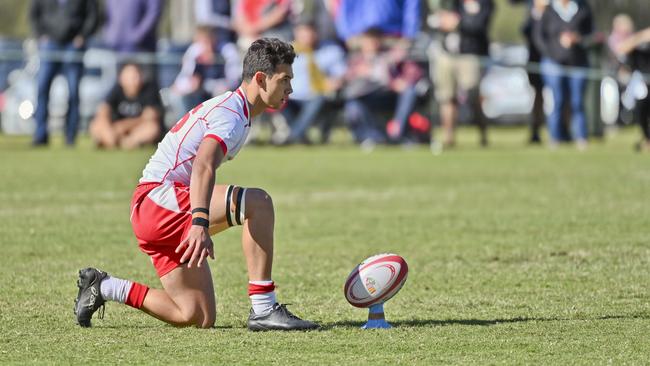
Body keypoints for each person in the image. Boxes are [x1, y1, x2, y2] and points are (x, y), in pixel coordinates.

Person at [74, 38, 319, 331]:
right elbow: (204, 164)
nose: (290, 88)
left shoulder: (238, 110)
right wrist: (199, 223)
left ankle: (105, 287)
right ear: (260, 78)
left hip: (156, 210)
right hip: (157, 202)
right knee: (258, 204)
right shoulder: (231, 114)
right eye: (285, 80)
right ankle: (264, 308)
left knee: (196, 315)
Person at [29, 0, 99, 146]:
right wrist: (40, 36)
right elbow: (33, 14)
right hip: (49, 44)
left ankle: (70, 137)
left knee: (73, 93)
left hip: (73, 45)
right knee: (42, 89)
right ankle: (40, 135)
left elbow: (93, 15)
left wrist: (82, 36)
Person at [429, 0, 494, 148]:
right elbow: (436, 20)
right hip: (446, 54)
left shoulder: (484, 3)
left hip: (469, 54)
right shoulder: (452, 3)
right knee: (447, 97)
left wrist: (458, 23)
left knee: (472, 96)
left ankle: (483, 134)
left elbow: (478, 25)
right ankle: (449, 138)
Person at [533, 0, 594, 150]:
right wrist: (551, 52)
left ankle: (581, 137)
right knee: (557, 100)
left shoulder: (582, 8)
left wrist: (577, 38)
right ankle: (555, 138)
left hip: (577, 62)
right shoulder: (549, 10)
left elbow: (591, 33)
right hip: (554, 62)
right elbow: (539, 36)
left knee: (577, 102)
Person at [279, 20, 347, 145]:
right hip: (291, 98)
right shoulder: (285, 52)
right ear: (296, 33)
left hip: (316, 96)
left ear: (316, 33)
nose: (307, 36)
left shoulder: (330, 50)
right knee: (276, 99)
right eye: (303, 32)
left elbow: (342, 74)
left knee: (318, 99)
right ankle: (299, 136)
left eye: (310, 32)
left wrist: (335, 81)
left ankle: (293, 136)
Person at [89, 62, 163, 149]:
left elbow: (150, 117)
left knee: (152, 128)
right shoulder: (116, 89)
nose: (134, 80)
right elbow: (103, 110)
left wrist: (123, 126)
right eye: (129, 77)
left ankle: (126, 142)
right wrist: (109, 129)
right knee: (96, 125)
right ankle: (112, 140)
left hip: (136, 130)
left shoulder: (149, 90)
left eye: (136, 76)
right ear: (121, 78)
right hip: (115, 129)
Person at [172, 26, 241, 116]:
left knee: (220, 96)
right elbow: (183, 77)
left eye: (208, 41)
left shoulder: (227, 50)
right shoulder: (194, 51)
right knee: (176, 96)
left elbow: (233, 79)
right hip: (198, 91)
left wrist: (222, 86)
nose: (206, 45)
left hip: (219, 90)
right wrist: (191, 84)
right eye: (202, 42)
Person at [615, 26, 650, 152]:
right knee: (641, 112)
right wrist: (641, 36)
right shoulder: (640, 41)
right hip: (642, 86)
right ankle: (647, 139)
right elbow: (620, 48)